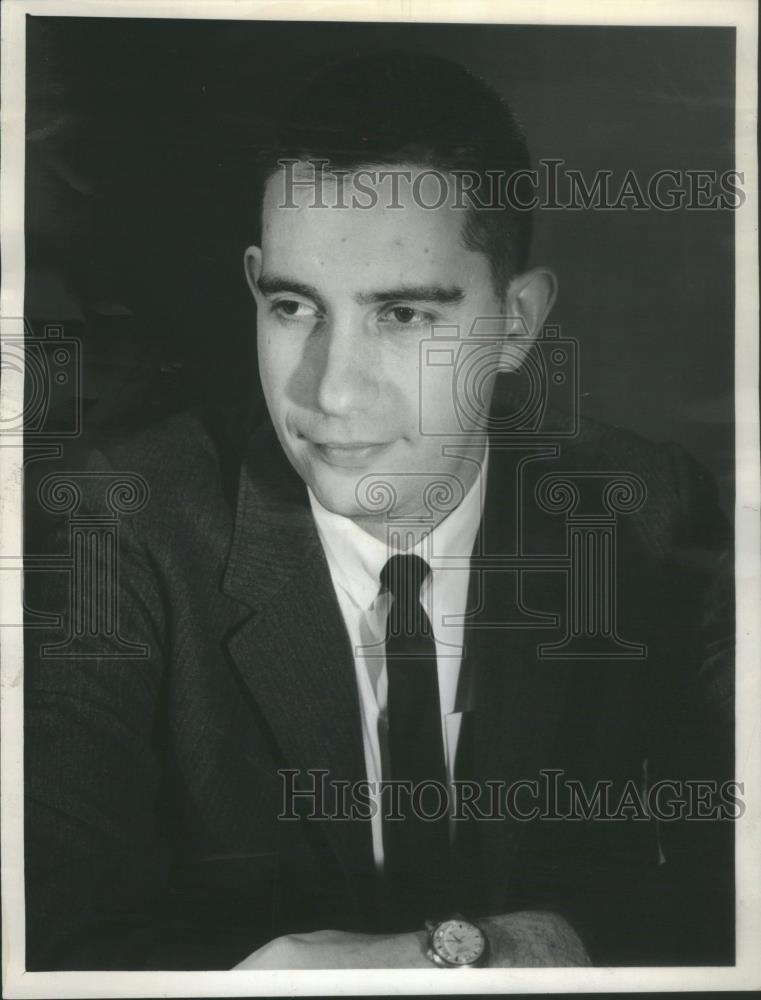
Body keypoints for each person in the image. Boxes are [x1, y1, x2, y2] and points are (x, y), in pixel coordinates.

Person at [25, 51, 734, 971]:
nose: (330, 392)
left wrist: (495, 951)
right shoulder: (115, 524)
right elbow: (47, 926)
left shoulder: (649, 512)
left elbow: (733, 883)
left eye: (402, 316)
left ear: (514, 323)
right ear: (253, 285)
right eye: (293, 306)